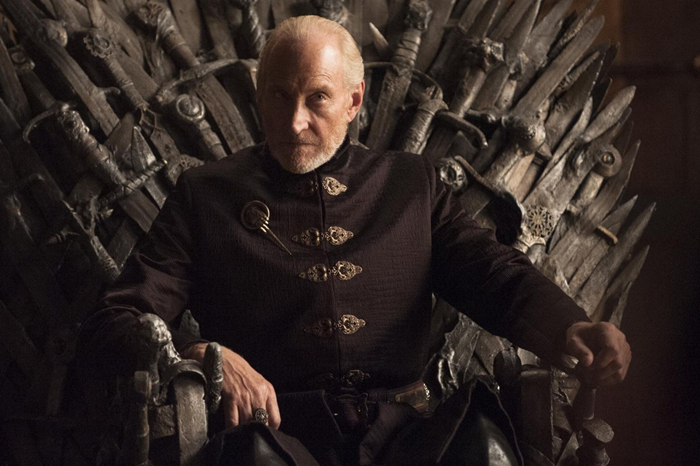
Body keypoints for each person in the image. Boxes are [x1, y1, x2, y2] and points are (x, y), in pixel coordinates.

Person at [78, 15, 631, 466]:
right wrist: (202, 355)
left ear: (354, 100)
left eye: (317, 98)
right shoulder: (205, 196)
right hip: (277, 438)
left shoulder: (412, 186)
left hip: (406, 437)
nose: (295, 122)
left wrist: (572, 328)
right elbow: (115, 322)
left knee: (486, 447)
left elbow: (492, 275)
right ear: (259, 96)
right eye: (280, 96)